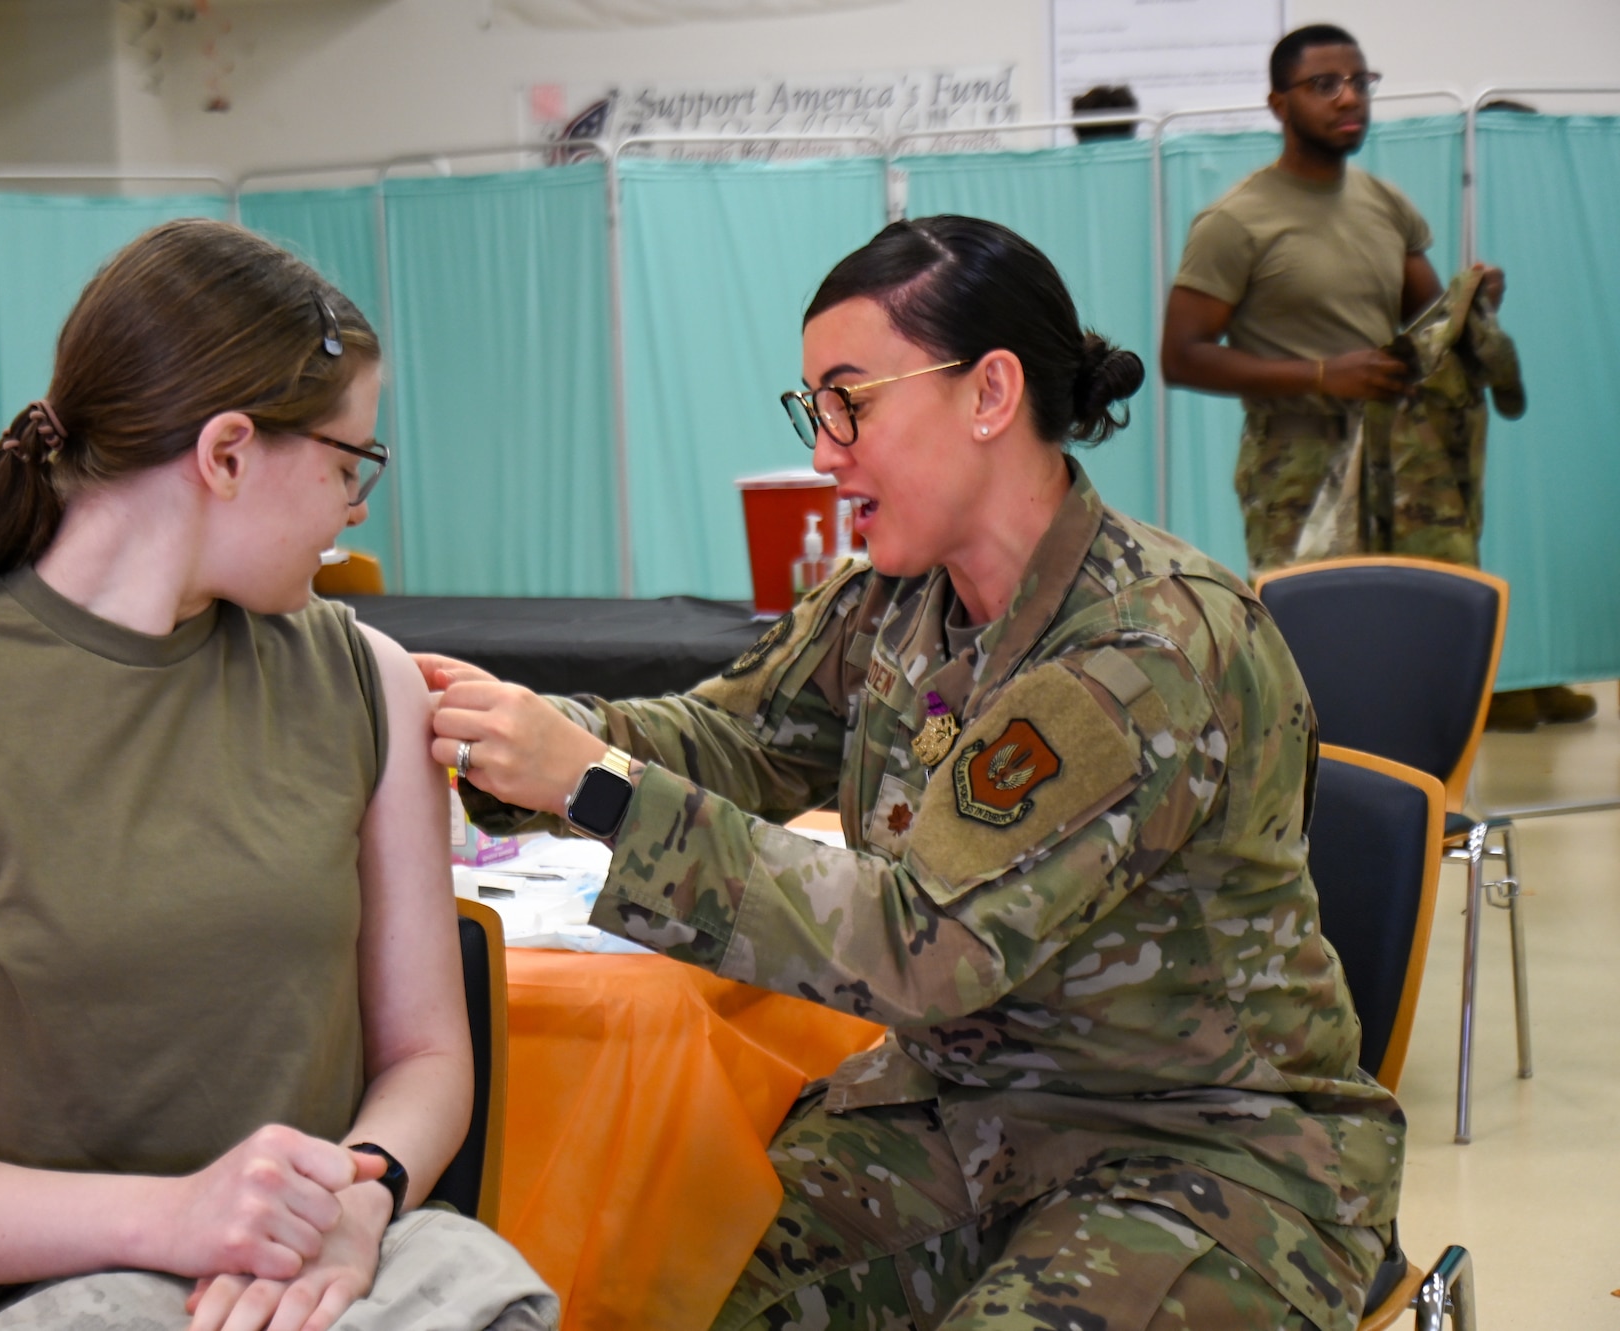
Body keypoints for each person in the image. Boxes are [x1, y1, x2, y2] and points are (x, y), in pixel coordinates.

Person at [423, 215, 1402, 1331]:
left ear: (988, 393)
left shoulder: (1142, 654)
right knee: (672, 1281)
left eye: (850, 401)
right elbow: (731, 739)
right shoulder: (895, 600)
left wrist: (596, 786)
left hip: (1192, 1155)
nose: (822, 451)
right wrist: (507, 735)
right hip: (961, 1117)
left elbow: (920, 945)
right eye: (813, 409)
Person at [0, 219, 555, 1331]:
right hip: (66, 1288)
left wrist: (364, 1196)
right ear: (225, 454)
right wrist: (175, 1218)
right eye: (346, 463)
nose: (355, 510)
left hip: (341, 1262)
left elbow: (423, 1051)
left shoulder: (363, 679)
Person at [1161, 23, 1589, 728]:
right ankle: (1320, 814)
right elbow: (1183, 354)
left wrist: (1471, 307)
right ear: (1278, 104)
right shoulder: (1235, 222)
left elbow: (1425, 326)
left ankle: (1416, 806)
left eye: (1361, 81)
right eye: (1325, 84)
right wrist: (1324, 374)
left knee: (1420, 638)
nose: (1349, 97)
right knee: (1317, 652)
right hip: (1300, 471)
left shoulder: (1386, 205)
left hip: (1405, 466)